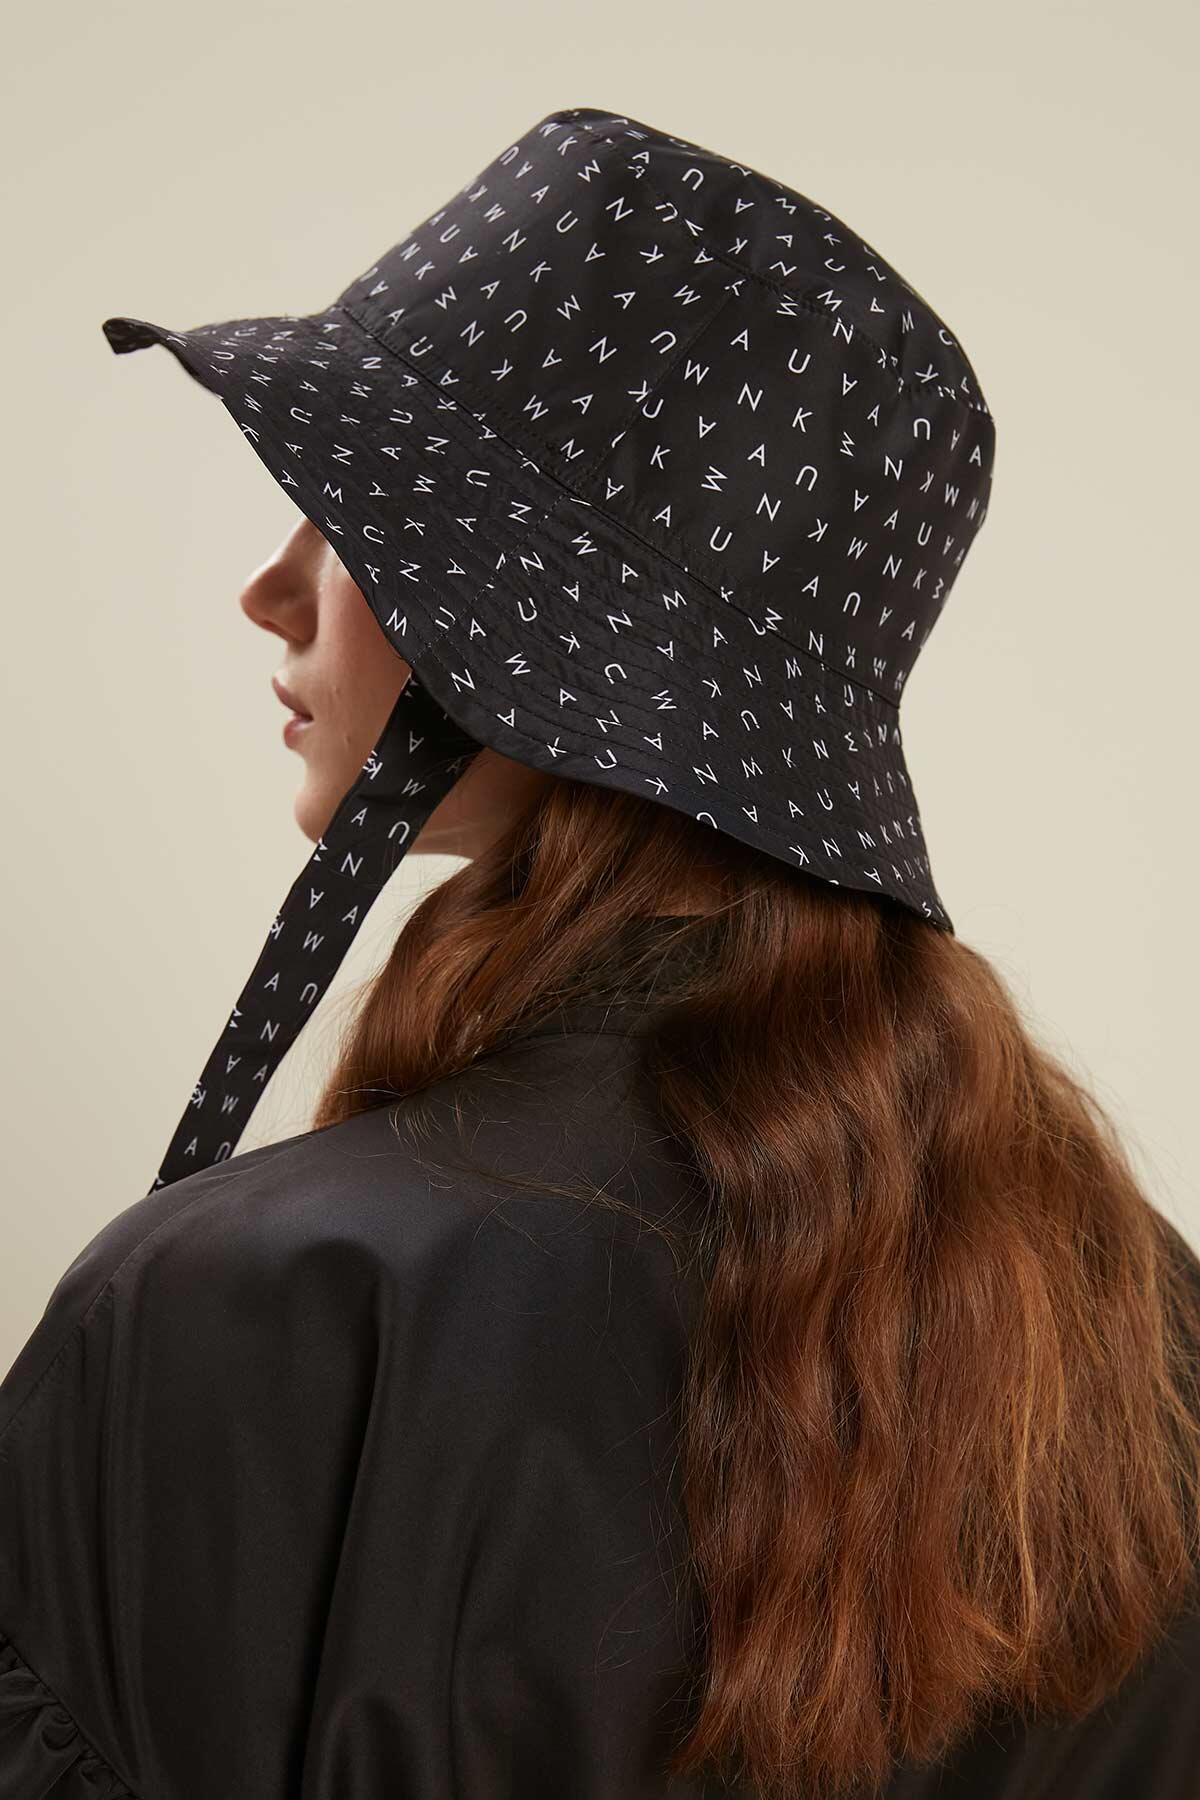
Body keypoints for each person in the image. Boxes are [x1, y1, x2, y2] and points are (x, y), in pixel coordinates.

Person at [1, 104, 1197, 1799]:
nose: (274, 587)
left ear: (520, 637)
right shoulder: (1132, 1326)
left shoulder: (256, 1307)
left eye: (356, 517)